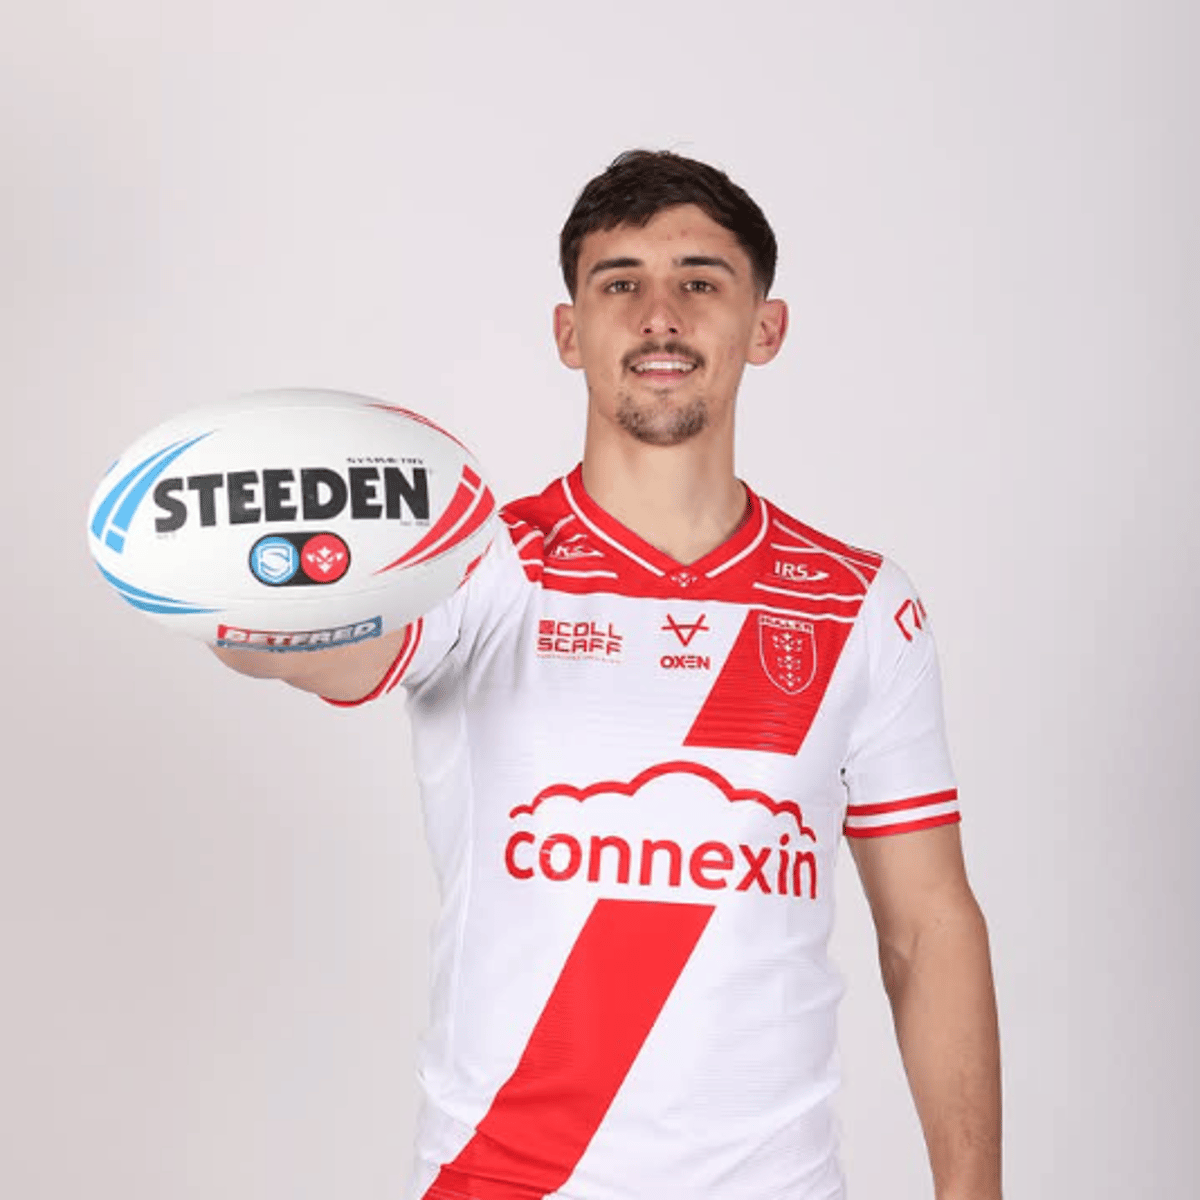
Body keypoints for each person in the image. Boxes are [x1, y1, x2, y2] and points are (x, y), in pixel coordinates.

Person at [217, 150, 1002, 1200]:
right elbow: (323, 650)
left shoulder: (860, 605)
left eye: (700, 281)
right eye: (619, 282)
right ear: (569, 330)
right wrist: (247, 609)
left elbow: (928, 928)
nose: (659, 315)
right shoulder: (483, 565)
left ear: (765, 327)